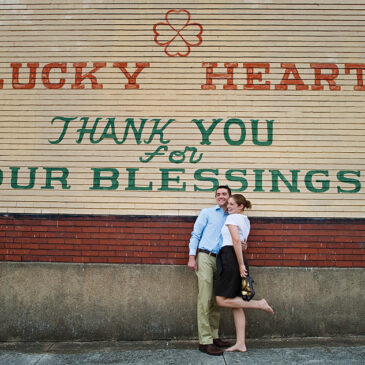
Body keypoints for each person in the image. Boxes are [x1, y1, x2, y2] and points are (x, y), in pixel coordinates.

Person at [216, 194, 274, 353]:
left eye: (232, 204)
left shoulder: (231, 219)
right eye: (228, 204)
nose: (229, 207)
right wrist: (241, 262)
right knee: (237, 304)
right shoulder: (245, 220)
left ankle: (259, 304)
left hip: (231, 259)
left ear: (240, 206)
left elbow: (235, 241)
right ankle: (241, 343)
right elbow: (244, 245)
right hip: (238, 258)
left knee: (220, 300)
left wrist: (240, 264)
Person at [187, 185, 232, 356]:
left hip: (222, 261)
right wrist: (192, 257)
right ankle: (204, 341)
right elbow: (195, 234)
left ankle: (214, 336)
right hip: (205, 257)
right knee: (204, 298)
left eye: (224, 194)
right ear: (215, 197)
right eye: (218, 194)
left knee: (216, 299)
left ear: (229, 197)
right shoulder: (207, 212)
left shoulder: (232, 216)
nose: (221, 196)